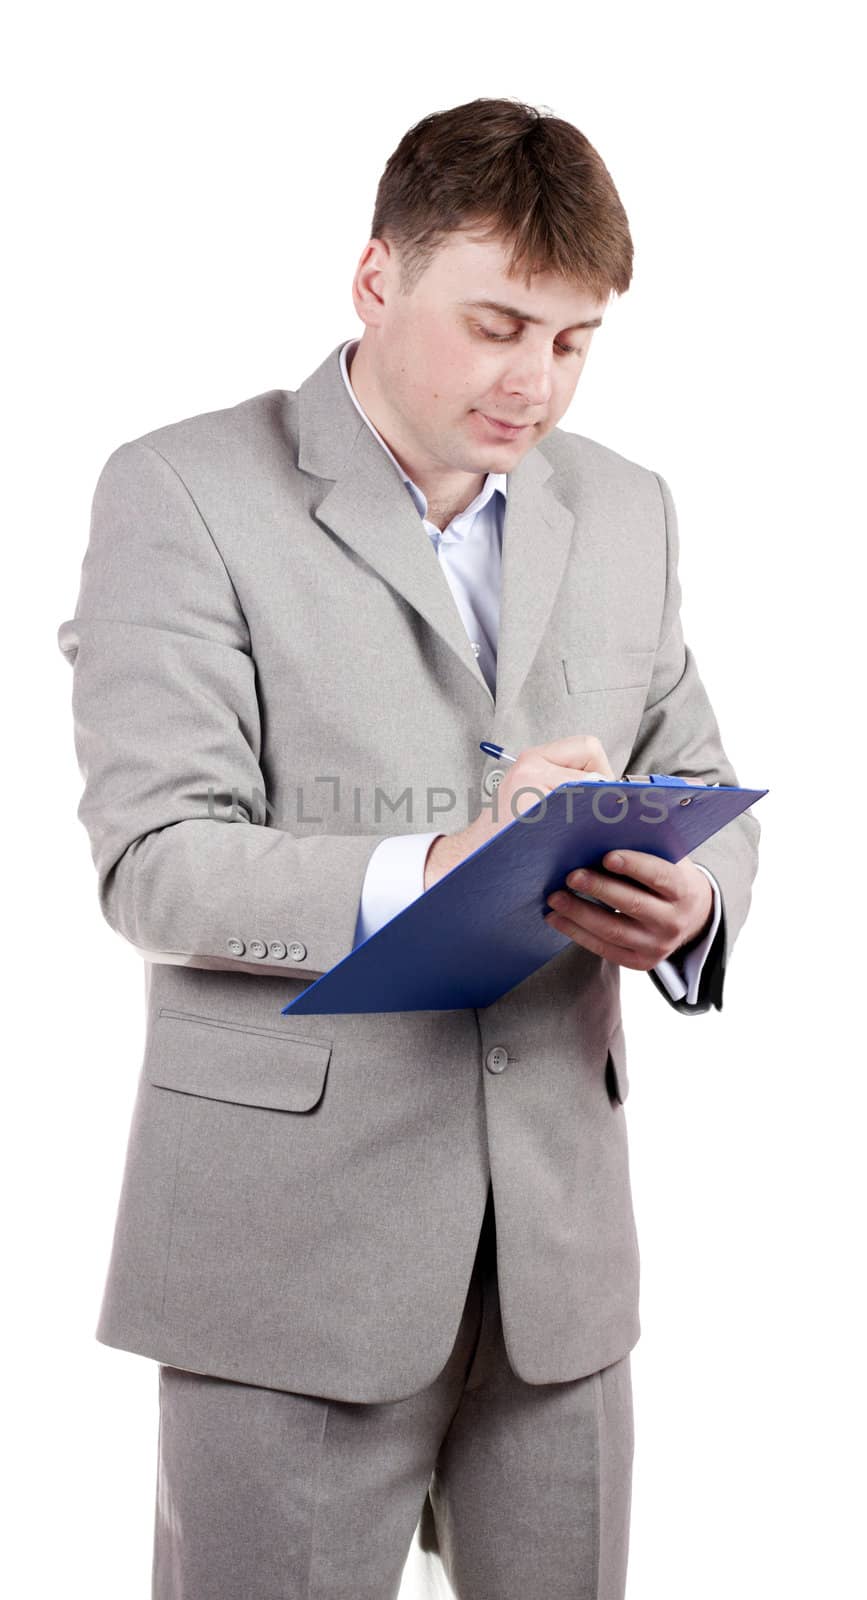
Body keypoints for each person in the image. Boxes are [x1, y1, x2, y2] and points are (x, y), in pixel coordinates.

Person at [57, 96, 760, 1600]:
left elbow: (690, 768)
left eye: (574, 341)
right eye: (499, 322)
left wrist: (692, 904)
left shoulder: (625, 508)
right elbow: (154, 861)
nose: (537, 382)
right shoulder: (181, 491)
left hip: (559, 1267)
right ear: (375, 278)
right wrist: (432, 869)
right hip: (286, 1256)